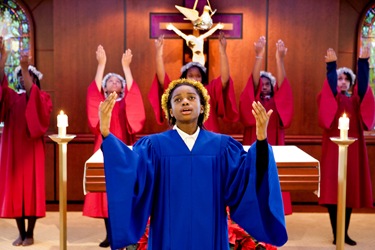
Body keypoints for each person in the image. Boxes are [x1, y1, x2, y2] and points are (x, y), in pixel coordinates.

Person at [99, 78, 288, 249]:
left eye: (191, 97)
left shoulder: (222, 147)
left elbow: (246, 176)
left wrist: (262, 140)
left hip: (210, 231)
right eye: (178, 100)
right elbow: (131, 170)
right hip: (168, 232)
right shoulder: (154, 147)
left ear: (203, 106)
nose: (185, 102)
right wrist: (107, 133)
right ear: (170, 110)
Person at [84, 45, 145, 248]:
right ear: (104, 86)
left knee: (125, 191)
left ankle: (125, 232)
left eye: (118, 81)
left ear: (122, 87)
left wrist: (126, 68)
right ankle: (109, 233)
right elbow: (93, 95)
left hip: (124, 147)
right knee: (105, 193)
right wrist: (101, 65)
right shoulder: (101, 102)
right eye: (109, 80)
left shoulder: (125, 101)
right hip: (103, 147)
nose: (114, 82)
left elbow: (134, 104)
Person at [317, 47, 375, 246]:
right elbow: (330, 90)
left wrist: (363, 64)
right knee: (334, 190)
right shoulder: (332, 97)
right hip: (333, 149)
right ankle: (336, 233)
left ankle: (344, 232)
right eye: (339, 78)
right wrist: (331, 67)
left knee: (348, 191)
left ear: (351, 83)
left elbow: (365, 88)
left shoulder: (355, 100)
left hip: (353, 150)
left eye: (346, 79)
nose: (342, 82)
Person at [0, 36, 53, 246]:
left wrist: (24, 67)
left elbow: (36, 108)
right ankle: (21, 232)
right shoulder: (12, 97)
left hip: (31, 151)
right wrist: (2, 61)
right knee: (14, 192)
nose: (24, 79)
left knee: (31, 192)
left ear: (36, 79)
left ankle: (30, 233)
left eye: (29, 76)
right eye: (21, 76)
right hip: (12, 151)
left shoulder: (43, 97)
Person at [239, 36, 294, 221]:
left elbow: (284, 89)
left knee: (272, 182)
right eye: (261, 84)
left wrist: (280, 60)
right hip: (254, 145)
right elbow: (252, 85)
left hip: (274, 146)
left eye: (268, 83)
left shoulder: (277, 102)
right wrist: (258, 57)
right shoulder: (254, 102)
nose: (264, 87)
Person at [149, 32, 239, 132]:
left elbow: (225, 80)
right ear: (185, 78)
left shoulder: (208, 91)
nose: (194, 79)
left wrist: (223, 52)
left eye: (198, 76)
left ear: (202, 79)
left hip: (207, 138)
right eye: (190, 76)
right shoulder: (177, 91)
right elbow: (162, 79)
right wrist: (159, 53)